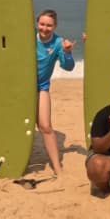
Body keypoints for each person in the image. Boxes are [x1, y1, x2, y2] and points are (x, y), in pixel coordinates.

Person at [35, 9, 75, 176]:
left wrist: (67, 52)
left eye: (49, 25)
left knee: (45, 126)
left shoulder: (58, 42)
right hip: (21, 87)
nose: (45, 28)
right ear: (37, 23)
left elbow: (68, 67)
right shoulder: (27, 36)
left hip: (41, 87)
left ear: (55, 26)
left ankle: (57, 167)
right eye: (42, 24)